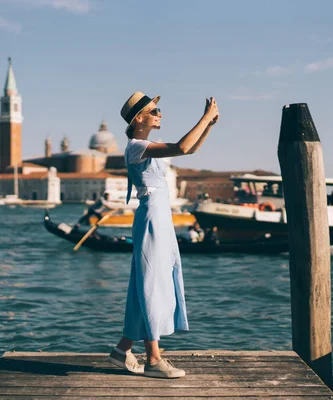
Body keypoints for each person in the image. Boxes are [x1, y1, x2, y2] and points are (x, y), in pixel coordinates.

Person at [107, 91, 219, 379]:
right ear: (139, 118)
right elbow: (182, 146)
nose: (159, 114)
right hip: (151, 219)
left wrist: (208, 127)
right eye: (154, 110)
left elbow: (190, 150)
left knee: (144, 283)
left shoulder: (146, 146)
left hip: (160, 218)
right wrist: (204, 117)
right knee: (151, 282)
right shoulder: (136, 147)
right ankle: (153, 359)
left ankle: (122, 350)